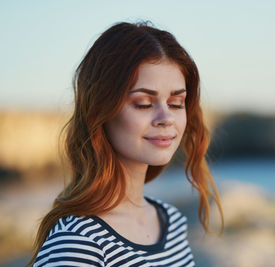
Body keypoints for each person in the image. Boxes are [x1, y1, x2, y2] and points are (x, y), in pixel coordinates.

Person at [29, 21, 223, 267]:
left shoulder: (171, 221)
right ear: (101, 110)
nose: (166, 118)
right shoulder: (78, 242)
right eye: (143, 103)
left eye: (176, 103)